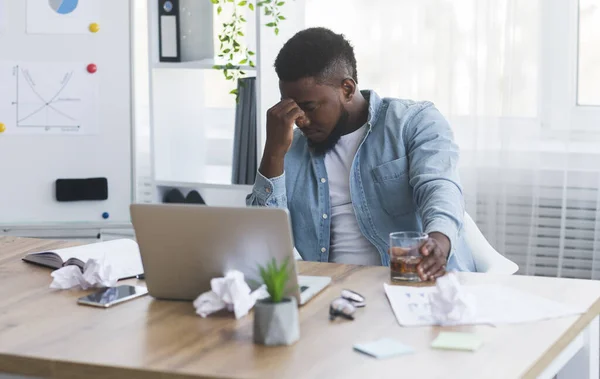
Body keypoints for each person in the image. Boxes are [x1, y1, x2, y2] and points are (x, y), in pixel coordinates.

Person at [246, 27, 476, 280]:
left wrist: (439, 241)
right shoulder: (289, 147)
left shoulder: (412, 122)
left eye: (309, 107)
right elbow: (263, 244)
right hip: (330, 292)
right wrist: (273, 153)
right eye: (290, 107)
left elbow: (439, 186)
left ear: (347, 89)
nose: (300, 119)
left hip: (412, 280)